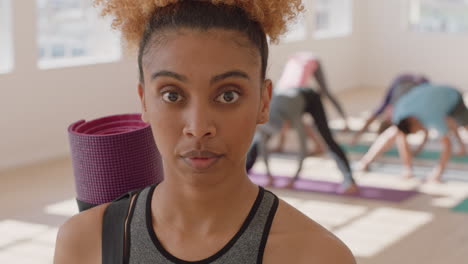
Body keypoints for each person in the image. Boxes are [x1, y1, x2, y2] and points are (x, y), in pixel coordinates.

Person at [53, 1, 356, 264]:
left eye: (228, 95)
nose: (198, 128)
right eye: (172, 95)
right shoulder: (82, 242)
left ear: (264, 102)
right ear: (144, 100)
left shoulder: (319, 255)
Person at [246, 87, 358, 194]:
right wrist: (268, 175)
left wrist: (294, 178)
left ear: (286, 125)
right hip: (287, 100)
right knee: (258, 141)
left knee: (327, 139)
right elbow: (262, 146)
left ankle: (349, 179)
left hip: (309, 99)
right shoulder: (265, 120)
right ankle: (244, 171)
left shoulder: (293, 116)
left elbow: (303, 148)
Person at [358, 84, 468, 182]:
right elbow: (402, 140)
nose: (419, 131)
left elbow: (447, 144)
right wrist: (407, 168)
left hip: (452, 96)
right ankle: (366, 161)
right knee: (392, 133)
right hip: (431, 98)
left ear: (414, 121)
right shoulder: (399, 114)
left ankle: (462, 147)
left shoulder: (432, 116)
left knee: (462, 124)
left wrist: (438, 173)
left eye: (417, 130)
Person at [273, 52, 349, 153]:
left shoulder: (290, 95)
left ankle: (344, 120)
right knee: (291, 118)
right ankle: (317, 146)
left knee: (326, 92)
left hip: (310, 60)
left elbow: (298, 122)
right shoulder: (278, 93)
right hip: (294, 67)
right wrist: (280, 146)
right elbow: (285, 121)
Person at [351, 73, 429, 145]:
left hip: (415, 82)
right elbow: (372, 117)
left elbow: (424, 127)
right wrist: (357, 135)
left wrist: (357, 135)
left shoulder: (403, 115)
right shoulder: (390, 107)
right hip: (403, 80)